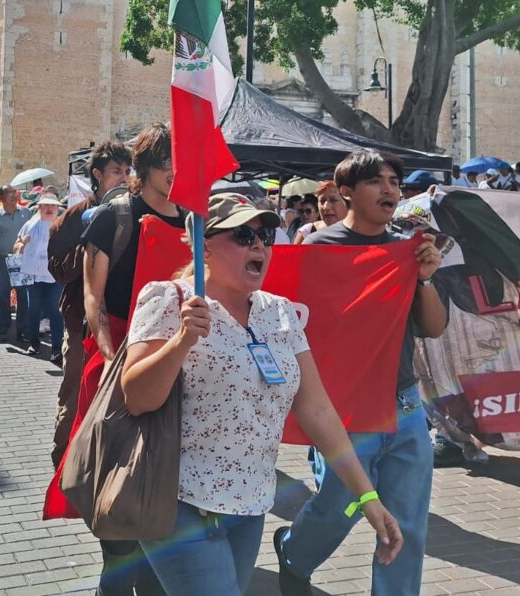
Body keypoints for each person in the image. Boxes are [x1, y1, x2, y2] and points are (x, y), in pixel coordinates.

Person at [125, 193, 403, 596]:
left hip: (251, 505)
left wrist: (368, 498)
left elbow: (318, 411)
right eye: (243, 235)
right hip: (179, 501)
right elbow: (137, 397)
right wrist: (182, 340)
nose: (259, 245)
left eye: (266, 236)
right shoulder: (171, 299)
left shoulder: (280, 312)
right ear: (204, 245)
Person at [277, 150, 448, 596]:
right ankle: (294, 554)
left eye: (394, 181)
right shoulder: (319, 249)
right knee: (341, 506)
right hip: (344, 406)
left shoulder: (406, 250)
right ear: (347, 192)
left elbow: (433, 327)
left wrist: (425, 278)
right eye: (376, 181)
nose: (389, 189)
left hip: (404, 404)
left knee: (407, 521)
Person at [80, 121, 182, 596]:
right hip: (118, 356)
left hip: (178, 361)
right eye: (167, 162)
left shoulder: (195, 220)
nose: (175, 171)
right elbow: (93, 297)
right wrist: (108, 359)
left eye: (181, 161)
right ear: (144, 167)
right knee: (118, 478)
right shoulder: (114, 216)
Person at [47, 139, 131, 467]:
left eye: (127, 171)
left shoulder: (132, 213)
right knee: (75, 397)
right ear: (98, 175)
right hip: (81, 323)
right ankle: (63, 467)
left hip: (124, 323)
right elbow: (56, 269)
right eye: (116, 171)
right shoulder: (73, 217)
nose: (124, 177)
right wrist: (89, 248)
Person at [14, 194, 65, 362]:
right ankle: (34, 343)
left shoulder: (62, 225)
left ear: (57, 209)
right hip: (34, 276)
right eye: (46, 205)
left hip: (55, 276)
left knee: (55, 310)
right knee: (33, 309)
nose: (50, 209)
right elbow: (16, 245)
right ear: (40, 208)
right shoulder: (29, 225)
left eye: (53, 206)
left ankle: (56, 348)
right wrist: (21, 245)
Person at [0, 186, 33, 342]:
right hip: (4, 261)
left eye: (14, 192)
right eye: (9, 193)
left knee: (24, 296)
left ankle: (24, 330)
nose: (13, 195)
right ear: (1, 197)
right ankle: (2, 329)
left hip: (23, 260)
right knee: (2, 296)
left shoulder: (26, 213)